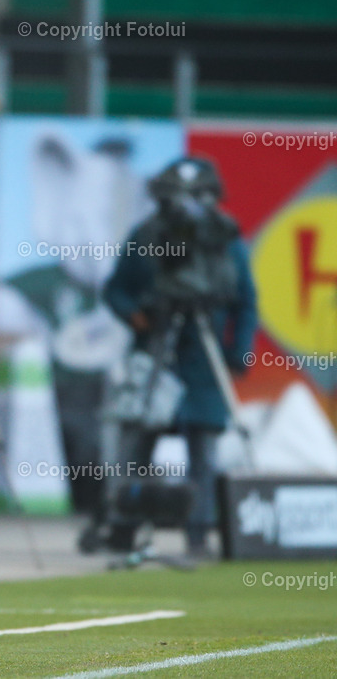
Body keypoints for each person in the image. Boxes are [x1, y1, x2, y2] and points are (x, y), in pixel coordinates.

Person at [102, 157, 257, 558]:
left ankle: (198, 532)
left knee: (203, 450)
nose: (187, 210)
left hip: (204, 360)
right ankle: (122, 525)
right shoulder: (148, 234)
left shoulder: (224, 238)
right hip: (157, 348)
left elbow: (245, 301)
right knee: (137, 440)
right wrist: (134, 316)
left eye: (196, 200)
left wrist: (238, 352)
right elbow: (116, 289)